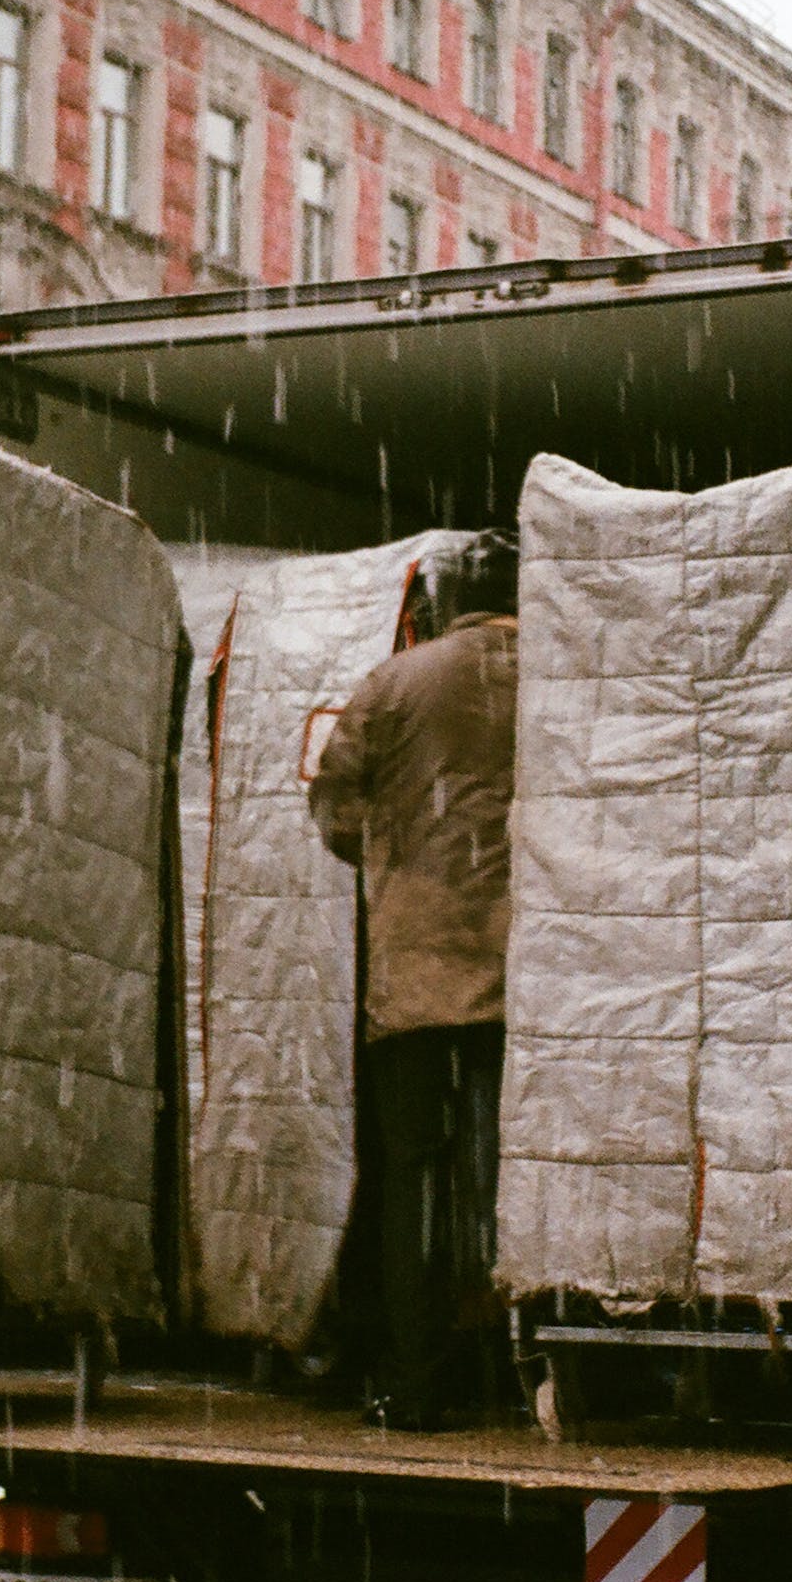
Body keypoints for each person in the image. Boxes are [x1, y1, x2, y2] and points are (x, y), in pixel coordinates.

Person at [309, 534, 519, 1431]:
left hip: (421, 976)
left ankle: (423, 1383)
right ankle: (530, 1370)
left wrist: (398, 856)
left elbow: (333, 809)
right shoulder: (568, 676)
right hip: (535, 980)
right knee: (519, 1182)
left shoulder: (394, 683)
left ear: (440, 601)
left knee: (414, 1184)